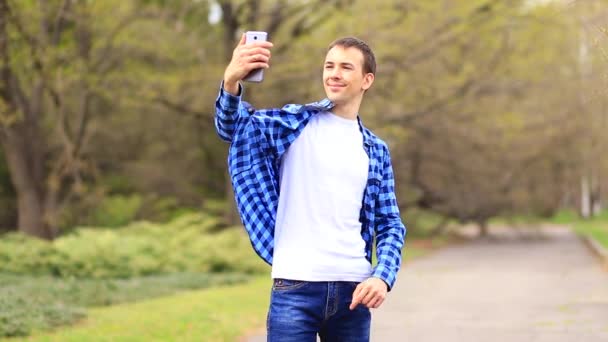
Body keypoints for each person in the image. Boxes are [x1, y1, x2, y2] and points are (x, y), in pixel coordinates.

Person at [214, 34, 406, 342]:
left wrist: (382, 276)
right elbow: (232, 128)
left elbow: (390, 223)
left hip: (353, 292)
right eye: (329, 65)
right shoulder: (294, 125)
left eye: (346, 67)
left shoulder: (375, 149)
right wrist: (231, 82)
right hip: (295, 285)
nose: (334, 73)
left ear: (366, 79)